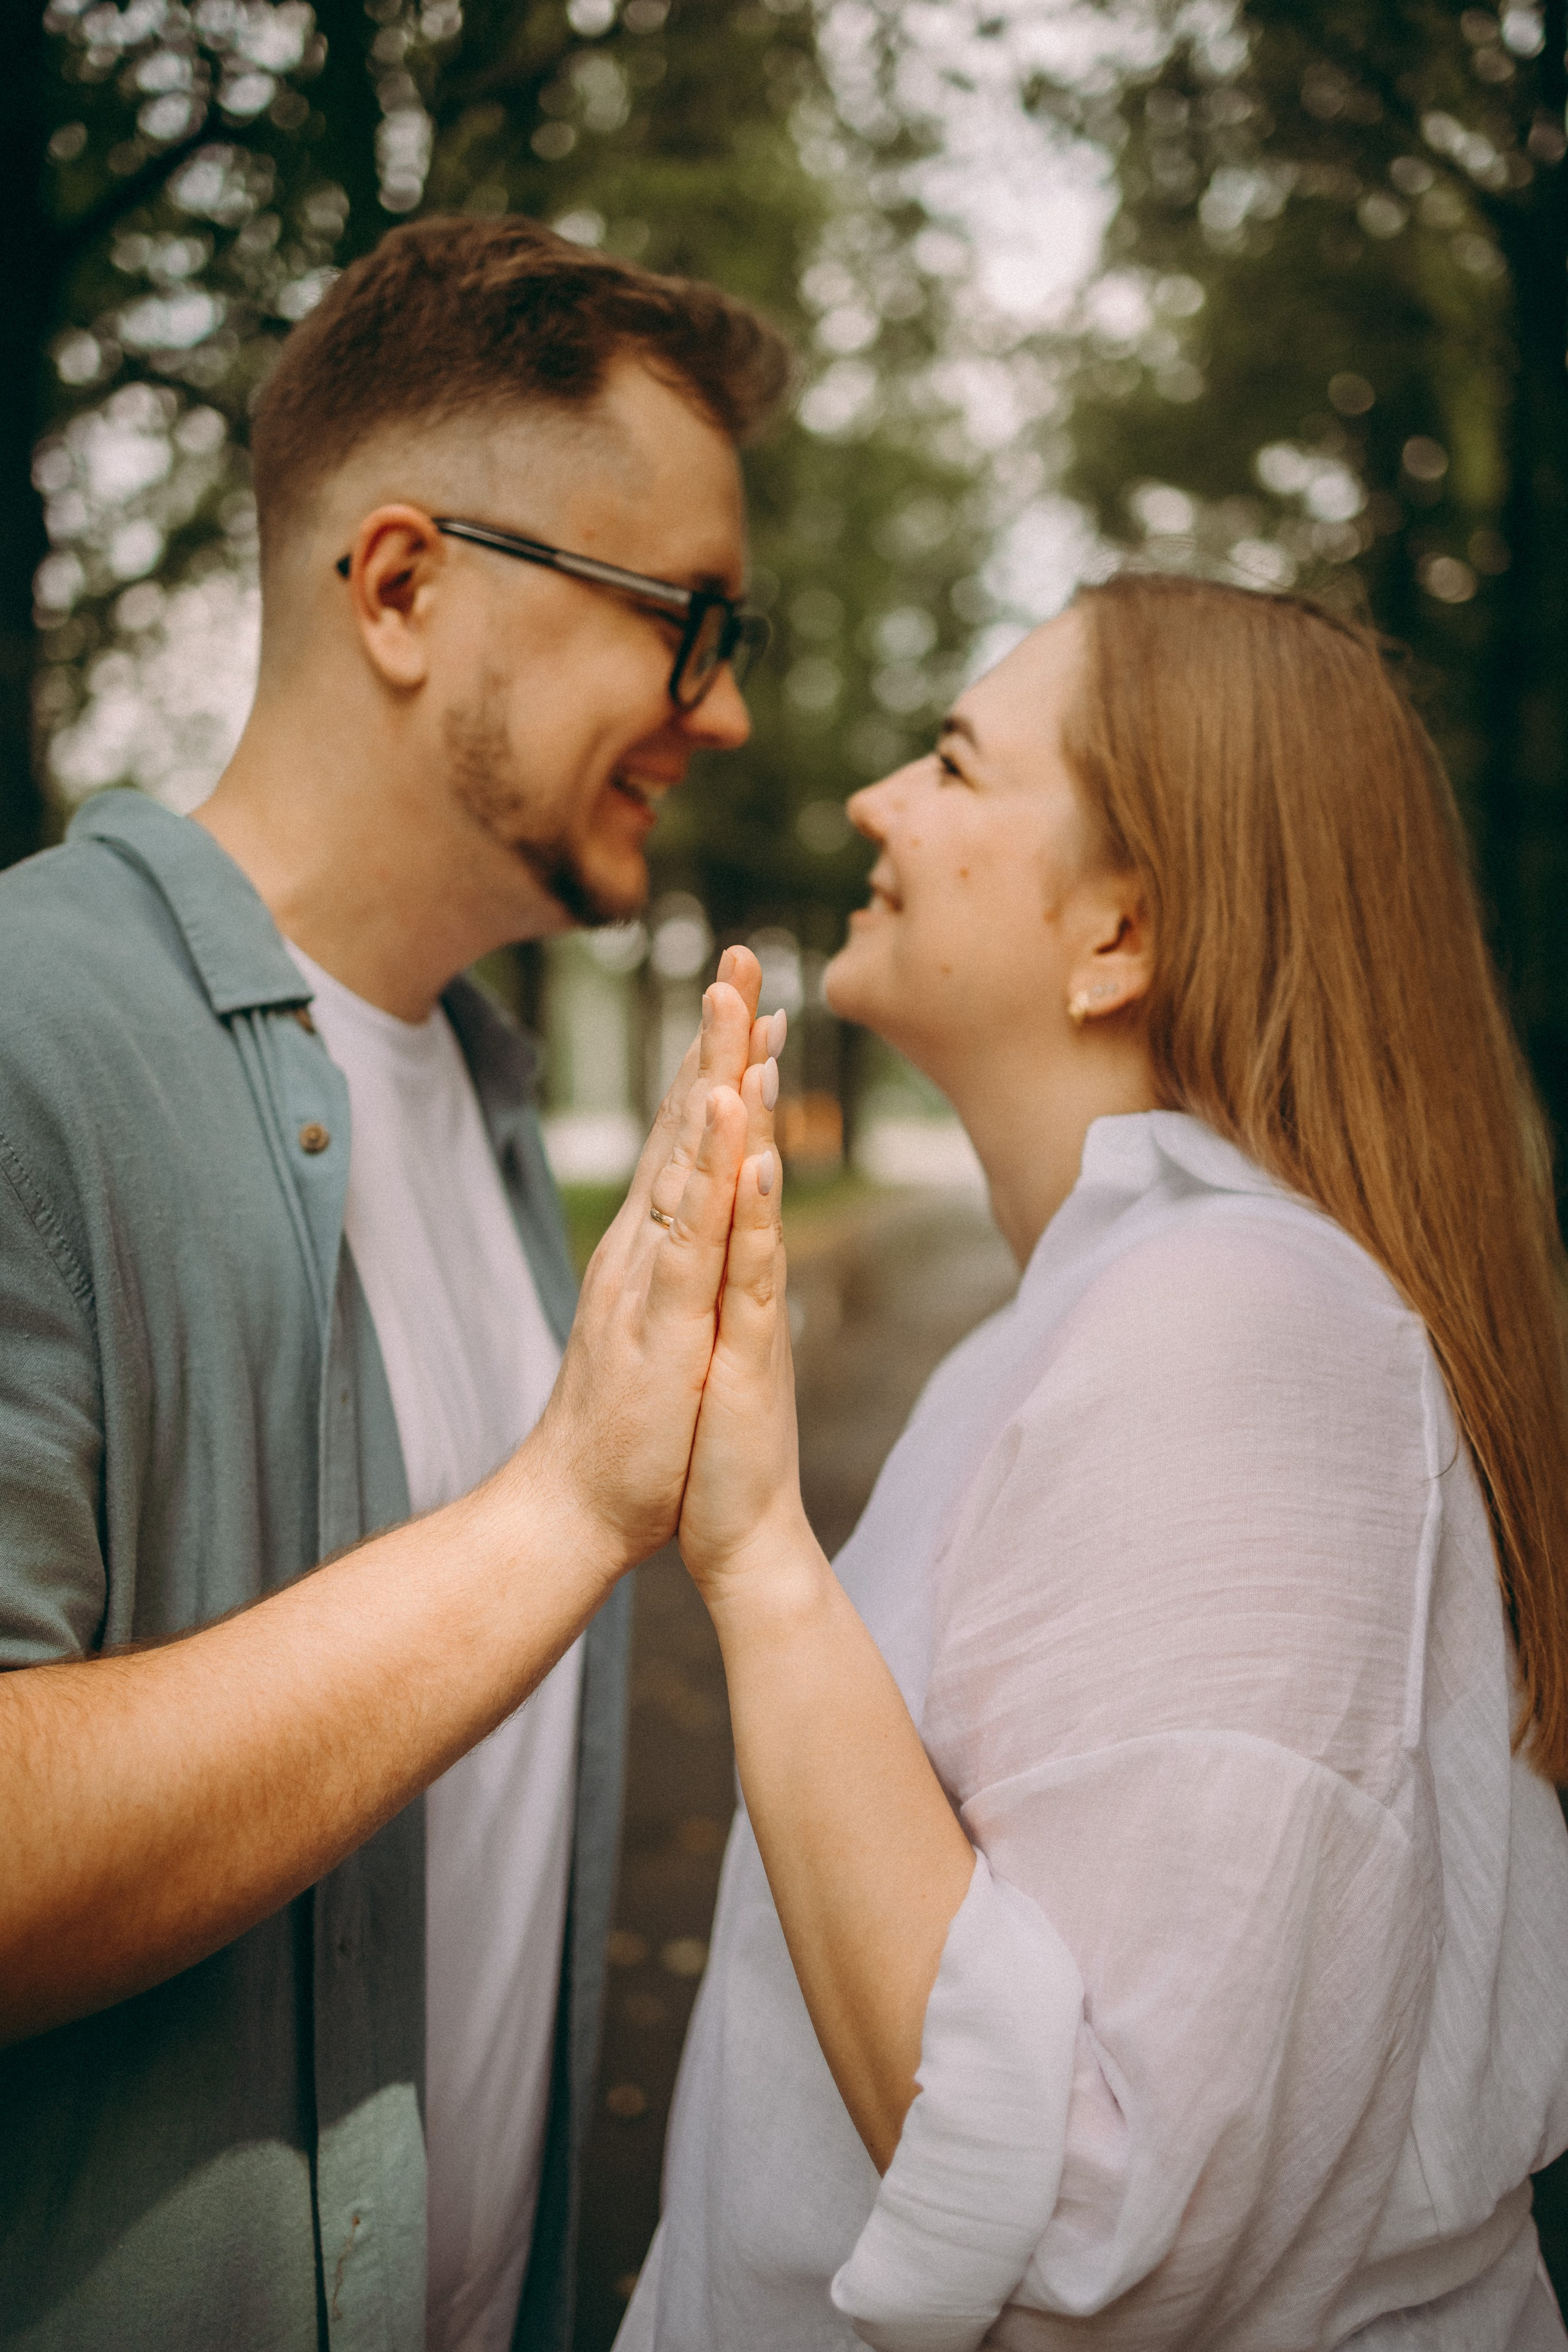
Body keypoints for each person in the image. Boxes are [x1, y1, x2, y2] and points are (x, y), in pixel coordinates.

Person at [0, 214, 791, 2352]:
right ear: (408, 584)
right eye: (686, 621)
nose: (719, 715)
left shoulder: (498, 1092)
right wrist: (565, 1507)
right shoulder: (24, 1037)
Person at [617, 575, 1568, 2350]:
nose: (875, 802)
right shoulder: (1111, 1307)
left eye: (960, 768)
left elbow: (1089, 2218)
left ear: (1120, 932)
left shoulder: (1237, 1335)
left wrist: (757, 1558)